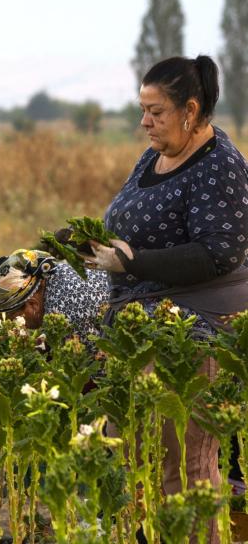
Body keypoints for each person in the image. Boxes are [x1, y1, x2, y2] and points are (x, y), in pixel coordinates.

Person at [83, 55, 248, 544]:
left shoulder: (220, 165)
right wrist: (89, 241)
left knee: (185, 464)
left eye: (155, 111)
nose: (144, 122)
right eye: (142, 110)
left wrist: (132, 264)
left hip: (192, 331)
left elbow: (218, 253)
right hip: (138, 326)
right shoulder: (153, 156)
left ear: (190, 110)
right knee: (133, 455)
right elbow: (128, 223)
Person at [0, 248, 109, 343]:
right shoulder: (53, 274)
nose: (12, 326)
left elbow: (97, 369)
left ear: (33, 305)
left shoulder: (64, 313)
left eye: (13, 318)